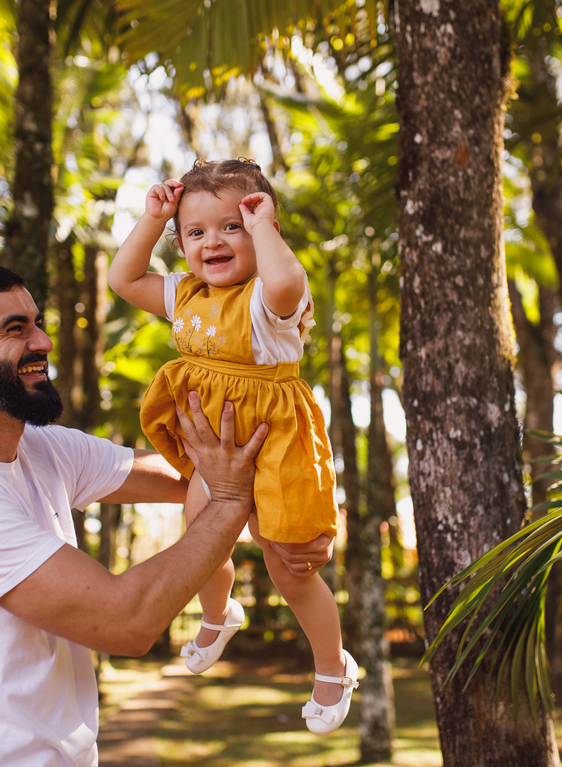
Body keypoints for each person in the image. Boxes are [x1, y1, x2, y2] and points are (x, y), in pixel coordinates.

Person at [0, 262, 332, 766]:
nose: (44, 342)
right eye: (15, 329)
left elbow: (203, 474)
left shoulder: (41, 449)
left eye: (38, 323)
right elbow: (125, 621)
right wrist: (227, 502)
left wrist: (302, 508)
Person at [107, 159, 358, 735]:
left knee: (290, 567)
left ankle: (332, 665)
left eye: (232, 226)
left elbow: (287, 282)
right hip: (215, 448)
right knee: (201, 541)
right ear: (181, 245)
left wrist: (264, 227)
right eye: (195, 232)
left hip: (277, 447)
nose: (212, 241)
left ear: (262, 232)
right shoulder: (184, 294)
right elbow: (123, 279)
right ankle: (219, 614)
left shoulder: (269, 301)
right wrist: (153, 220)